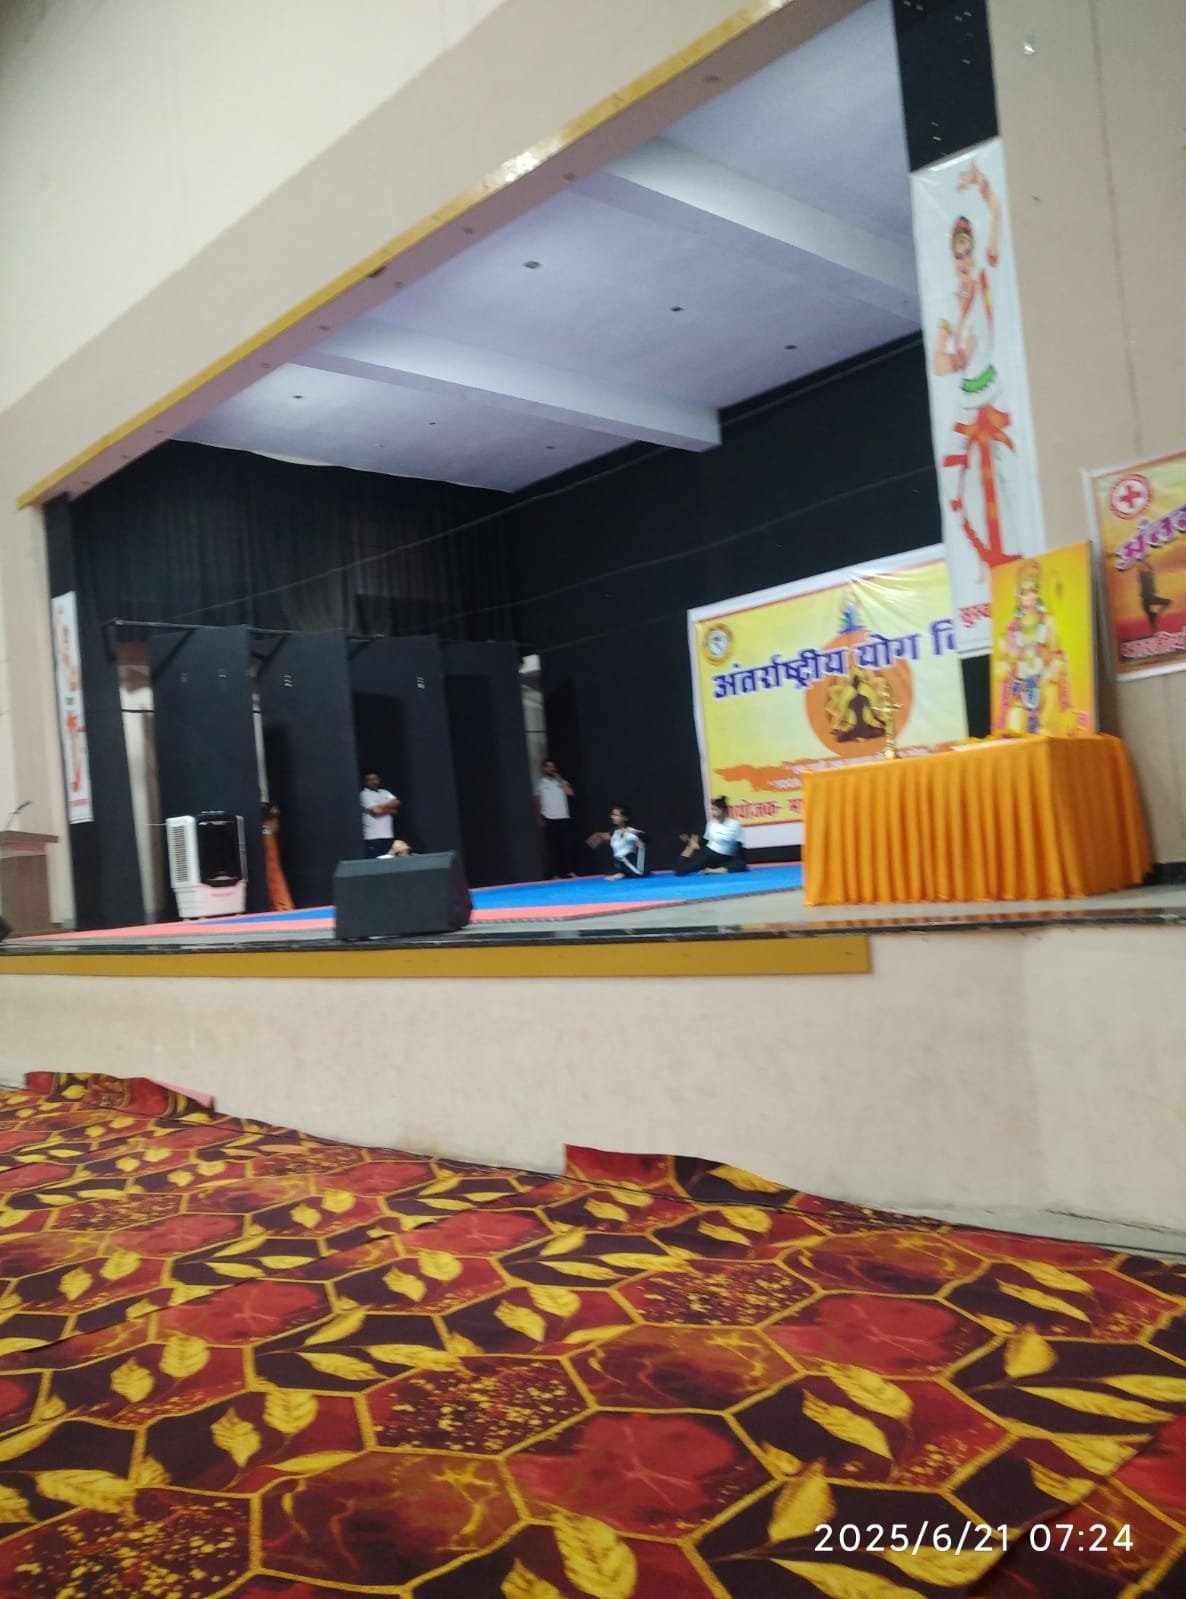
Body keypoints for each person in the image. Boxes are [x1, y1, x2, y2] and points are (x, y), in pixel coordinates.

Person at [931, 160, 1017, 576]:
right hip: (967, 400)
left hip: (994, 392)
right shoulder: (949, 306)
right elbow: (938, 362)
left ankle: (1013, 556)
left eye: (967, 252)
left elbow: (997, 211)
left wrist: (979, 181)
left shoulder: (987, 281)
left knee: (1010, 476)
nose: (964, 260)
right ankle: (981, 557)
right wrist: (958, 358)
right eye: (958, 255)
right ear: (952, 259)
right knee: (953, 481)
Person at [675, 796, 747, 875]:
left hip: (726, 858)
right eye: (712, 809)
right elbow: (706, 842)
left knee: (741, 865)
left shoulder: (735, 824)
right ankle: (691, 847)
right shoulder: (711, 824)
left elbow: (739, 845)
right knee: (681, 870)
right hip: (710, 855)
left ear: (723, 810)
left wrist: (739, 861)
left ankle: (712, 870)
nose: (713, 812)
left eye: (715, 810)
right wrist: (691, 840)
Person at [534, 758, 578, 878]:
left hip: (563, 817)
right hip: (549, 818)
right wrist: (538, 817)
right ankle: (555, 873)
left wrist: (560, 781)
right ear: (544, 769)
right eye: (548, 766)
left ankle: (569, 871)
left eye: (552, 766)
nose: (550, 769)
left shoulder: (563, 782)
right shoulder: (541, 784)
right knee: (553, 848)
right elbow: (537, 801)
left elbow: (571, 793)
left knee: (567, 846)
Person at [587, 806, 648, 881]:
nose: (612, 817)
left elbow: (644, 841)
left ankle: (626, 872)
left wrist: (638, 836)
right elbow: (609, 835)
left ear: (625, 818)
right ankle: (623, 872)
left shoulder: (630, 831)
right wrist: (598, 835)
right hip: (619, 864)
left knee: (640, 873)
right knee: (608, 873)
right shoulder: (615, 831)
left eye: (616, 815)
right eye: (612, 815)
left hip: (628, 861)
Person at [261, 801, 294, 911]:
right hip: (278, 903)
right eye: (273, 819)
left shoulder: (270, 836)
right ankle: (280, 905)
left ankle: (281, 905)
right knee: (272, 868)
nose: (276, 823)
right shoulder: (267, 835)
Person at [360, 772, 400, 858]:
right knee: (377, 861)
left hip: (388, 834)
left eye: (375, 779)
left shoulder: (385, 792)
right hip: (373, 836)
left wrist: (380, 806)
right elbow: (376, 811)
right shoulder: (364, 794)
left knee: (389, 860)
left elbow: (397, 802)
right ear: (365, 782)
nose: (373, 782)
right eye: (370, 780)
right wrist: (390, 810)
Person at [1138, 560, 1171, 634]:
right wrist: (1142, 562)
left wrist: (1144, 562)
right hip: (1147, 599)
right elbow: (1143, 570)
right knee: (1151, 618)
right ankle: (1154, 630)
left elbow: (1150, 569)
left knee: (1152, 617)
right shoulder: (1144, 577)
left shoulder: (1149, 577)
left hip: (1148, 599)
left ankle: (1155, 615)